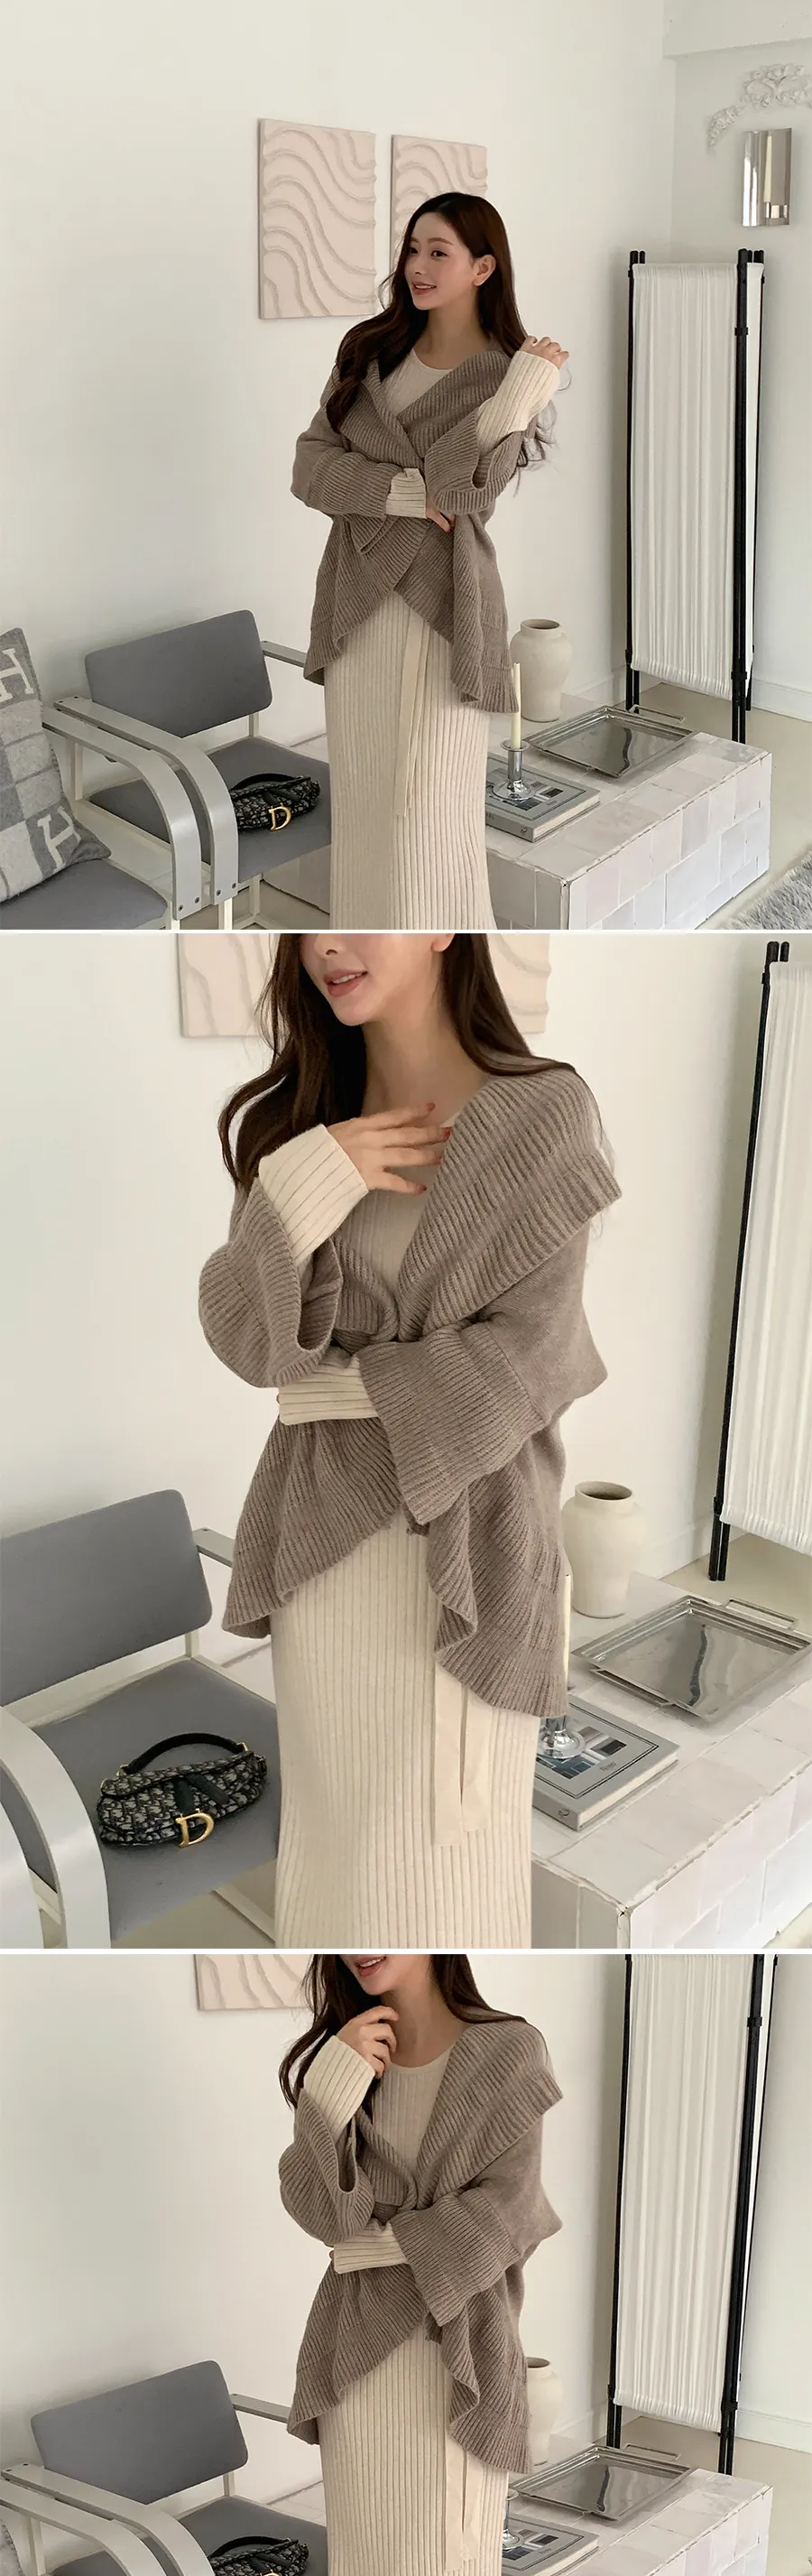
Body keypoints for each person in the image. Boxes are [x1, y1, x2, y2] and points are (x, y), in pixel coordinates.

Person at [198, 932, 619, 1947]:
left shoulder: (543, 1115)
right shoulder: (296, 1128)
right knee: (338, 1861)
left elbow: (534, 1357)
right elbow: (248, 1341)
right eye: (314, 926)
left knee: (447, 1870)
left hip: (472, 1554)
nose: (329, 945)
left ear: (440, 922)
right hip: (326, 1560)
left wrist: (341, 1390)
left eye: (367, 915)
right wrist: (304, 1186)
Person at [278, 1948, 561, 2576]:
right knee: (371, 2571)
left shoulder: (508, 2051)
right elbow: (325, 2218)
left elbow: (508, 2214)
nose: (363, 1940)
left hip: (460, 2361)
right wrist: (324, 2105)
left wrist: (387, 2243)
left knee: (449, 2565)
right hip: (362, 2361)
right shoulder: (343, 2054)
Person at [292, 193, 568, 928]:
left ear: (483, 268)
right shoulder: (368, 351)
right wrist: (400, 493)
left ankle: (445, 958)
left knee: (428, 817)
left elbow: (467, 488)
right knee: (363, 805)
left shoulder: (503, 375)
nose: (417, 266)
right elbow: (309, 468)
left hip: (444, 606)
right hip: (357, 602)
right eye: (413, 249)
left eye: (438, 252)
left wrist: (520, 397)